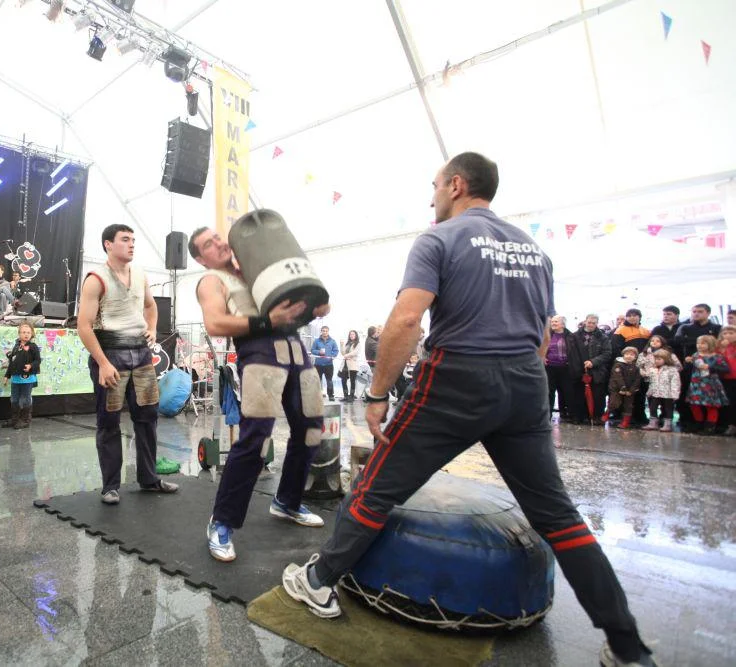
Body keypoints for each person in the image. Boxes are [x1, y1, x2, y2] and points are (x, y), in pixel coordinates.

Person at [279, 152, 656, 667]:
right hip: (526, 382)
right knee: (558, 516)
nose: (431, 196)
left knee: (376, 487)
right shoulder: (534, 250)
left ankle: (318, 581)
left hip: (456, 378)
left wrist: (378, 394)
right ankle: (627, 646)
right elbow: (543, 334)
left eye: (435, 185)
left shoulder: (439, 238)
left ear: (456, 185)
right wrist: (517, 382)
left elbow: (406, 320)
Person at [188, 225, 330, 562]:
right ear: (201, 259)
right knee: (255, 439)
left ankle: (288, 501)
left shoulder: (258, 270)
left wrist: (314, 305)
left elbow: (305, 309)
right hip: (259, 355)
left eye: (218, 237)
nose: (219, 243)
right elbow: (215, 324)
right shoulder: (212, 281)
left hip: (296, 350)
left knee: (311, 430)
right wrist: (269, 321)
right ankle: (221, 522)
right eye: (209, 244)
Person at [77, 224, 177, 505]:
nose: (131, 244)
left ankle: (149, 479)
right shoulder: (96, 279)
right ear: (108, 244)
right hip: (111, 356)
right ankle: (110, 486)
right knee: (109, 422)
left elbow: (150, 306)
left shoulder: (141, 274)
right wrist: (102, 363)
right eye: (125, 239)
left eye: (133, 239)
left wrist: (152, 328)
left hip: (141, 357)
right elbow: (83, 326)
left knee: (148, 419)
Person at [673, 304, 721, 430]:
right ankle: (689, 421)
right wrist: (705, 341)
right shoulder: (684, 327)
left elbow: (718, 344)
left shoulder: (716, 328)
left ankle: (711, 424)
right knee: (688, 396)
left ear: (708, 313)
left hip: (710, 368)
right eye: (694, 311)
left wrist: (689, 340)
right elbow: (678, 341)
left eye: (700, 311)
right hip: (689, 368)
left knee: (710, 399)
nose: (696, 314)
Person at [568, 314, 612, 423]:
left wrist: (593, 362)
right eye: (589, 322)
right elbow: (571, 353)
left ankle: (596, 417)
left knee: (597, 395)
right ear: (585, 322)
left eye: (593, 323)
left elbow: (607, 353)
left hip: (596, 370)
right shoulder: (574, 336)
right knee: (578, 395)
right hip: (578, 370)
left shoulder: (603, 337)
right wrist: (578, 367)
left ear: (597, 324)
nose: (591, 325)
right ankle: (578, 416)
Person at [685, 335, 729, 434]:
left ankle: (710, 427)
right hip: (696, 384)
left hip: (711, 384)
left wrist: (710, 367)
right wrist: (688, 362)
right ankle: (698, 424)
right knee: (694, 405)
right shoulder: (695, 355)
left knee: (711, 406)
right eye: (698, 343)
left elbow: (725, 369)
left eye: (703, 343)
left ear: (710, 344)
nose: (699, 345)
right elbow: (688, 369)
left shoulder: (717, 357)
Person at [3, 322, 41, 430]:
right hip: (16, 379)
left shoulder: (33, 346)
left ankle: (25, 420)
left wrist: (31, 365)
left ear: (32, 334)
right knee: (14, 399)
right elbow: (12, 362)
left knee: (25, 399)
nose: (26, 334)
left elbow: (38, 360)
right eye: (23, 332)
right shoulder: (16, 347)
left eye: (28, 332)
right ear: (19, 334)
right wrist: (7, 375)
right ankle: (15, 419)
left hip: (27, 379)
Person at [545, 315, 575, 423]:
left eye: (556, 322)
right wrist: (543, 357)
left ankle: (571, 414)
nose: (553, 323)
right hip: (550, 367)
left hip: (565, 368)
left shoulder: (571, 336)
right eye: (552, 322)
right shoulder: (547, 335)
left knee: (568, 391)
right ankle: (547, 416)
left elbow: (574, 351)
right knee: (549, 392)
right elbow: (541, 347)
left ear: (562, 324)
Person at [642, 350, 681, 432]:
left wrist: (675, 394)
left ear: (666, 359)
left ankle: (667, 424)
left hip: (668, 394)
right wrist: (649, 392)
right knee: (652, 407)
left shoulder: (672, 370)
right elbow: (651, 381)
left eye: (659, 359)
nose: (657, 361)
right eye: (655, 359)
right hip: (655, 393)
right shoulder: (653, 369)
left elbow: (675, 382)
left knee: (668, 409)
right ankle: (653, 423)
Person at [602, 346, 641, 429]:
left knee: (628, 406)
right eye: (627, 354)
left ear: (635, 357)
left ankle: (625, 422)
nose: (629, 356)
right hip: (617, 389)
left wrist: (631, 390)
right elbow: (617, 377)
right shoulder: (618, 365)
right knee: (614, 403)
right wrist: (623, 388)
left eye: (632, 354)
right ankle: (607, 414)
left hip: (629, 391)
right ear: (623, 355)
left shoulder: (636, 368)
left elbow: (637, 380)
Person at [311, 326, 338, 401]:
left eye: (326, 331)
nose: (325, 332)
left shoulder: (332, 341)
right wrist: (318, 352)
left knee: (329, 381)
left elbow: (336, 351)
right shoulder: (316, 341)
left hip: (329, 365)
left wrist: (332, 356)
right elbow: (312, 350)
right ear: (321, 331)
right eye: (323, 331)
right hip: (318, 364)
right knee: (317, 381)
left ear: (328, 332)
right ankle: (316, 396)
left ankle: (331, 396)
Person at [719, 326, 736, 436]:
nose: (727, 335)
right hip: (726, 379)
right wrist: (722, 349)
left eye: (731, 333)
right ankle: (731, 425)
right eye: (725, 333)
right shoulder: (720, 347)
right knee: (730, 403)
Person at [339, 330, 360, 401]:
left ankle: (351, 396)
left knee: (352, 381)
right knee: (343, 380)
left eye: (353, 334)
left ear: (356, 335)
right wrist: (341, 345)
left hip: (353, 365)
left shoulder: (358, 344)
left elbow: (355, 353)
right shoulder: (347, 344)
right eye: (350, 334)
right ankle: (345, 396)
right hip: (345, 364)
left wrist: (346, 355)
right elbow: (343, 353)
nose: (351, 335)